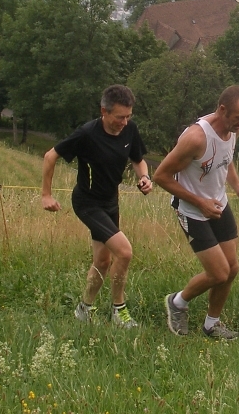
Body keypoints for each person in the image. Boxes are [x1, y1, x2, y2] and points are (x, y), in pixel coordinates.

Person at [41, 84, 152, 328]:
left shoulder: (130, 129)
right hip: (87, 203)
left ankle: (84, 309)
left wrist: (144, 177)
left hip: (110, 201)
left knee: (102, 261)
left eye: (128, 116)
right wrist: (46, 195)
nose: (124, 122)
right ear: (104, 111)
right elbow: (50, 156)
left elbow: (138, 160)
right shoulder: (87, 134)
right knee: (124, 252)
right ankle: (119, 312)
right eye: (119, 117)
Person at [154, 85, 239, 340]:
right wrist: (200, 203)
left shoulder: (233, 130)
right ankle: (177, 302)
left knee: (232, 268)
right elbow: (161, 176)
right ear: (222, 109)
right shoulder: (196, 138)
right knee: (219, 273)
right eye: (238, 118)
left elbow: (226, 160)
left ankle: (212, 324)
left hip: (218, 204)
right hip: (191, 210)